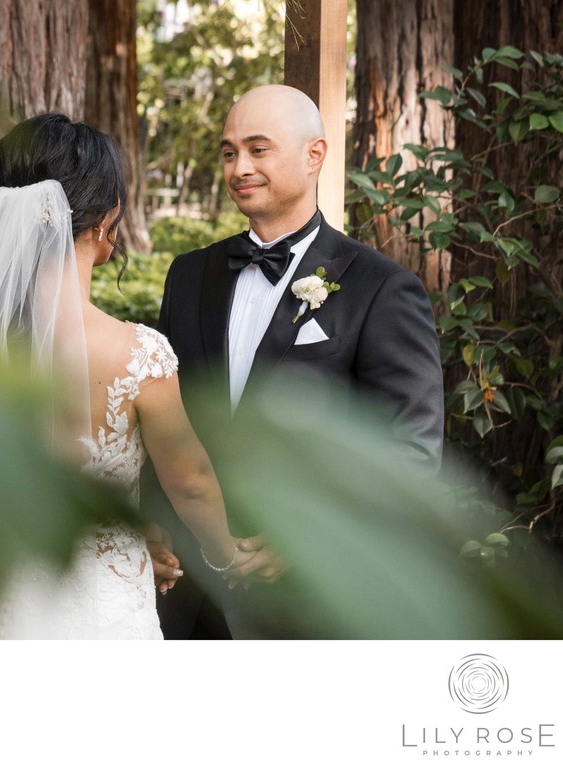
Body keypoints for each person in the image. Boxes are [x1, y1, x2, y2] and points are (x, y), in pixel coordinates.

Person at [151, 84, 445, 639]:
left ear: (315, 155)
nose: (239, 167)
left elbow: (410, 450)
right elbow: (161, 414)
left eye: (258, 149)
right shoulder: (189, 275)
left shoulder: (382, 288)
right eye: (229, 151)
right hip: (187, 589)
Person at [0, 113, 251, 639]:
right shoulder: (138, 355)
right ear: (103, 219)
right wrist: (227, 557)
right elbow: (192, 483)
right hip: (101, 607)